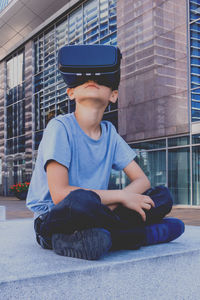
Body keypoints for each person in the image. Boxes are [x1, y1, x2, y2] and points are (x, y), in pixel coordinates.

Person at [26, 45, 184, 260]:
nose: (92, 80)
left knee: (162, 195)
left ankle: (104, 236)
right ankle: (138, 234)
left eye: (102, 80)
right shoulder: (59, 127)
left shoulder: (110, 133)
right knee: (81, 200)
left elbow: (142, 180)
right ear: (71, 92)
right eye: (82, 80)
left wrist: (124, 199)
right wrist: (121, 196)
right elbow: (60, 194)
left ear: (113, 95)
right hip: (57, 215)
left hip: (100, 209)